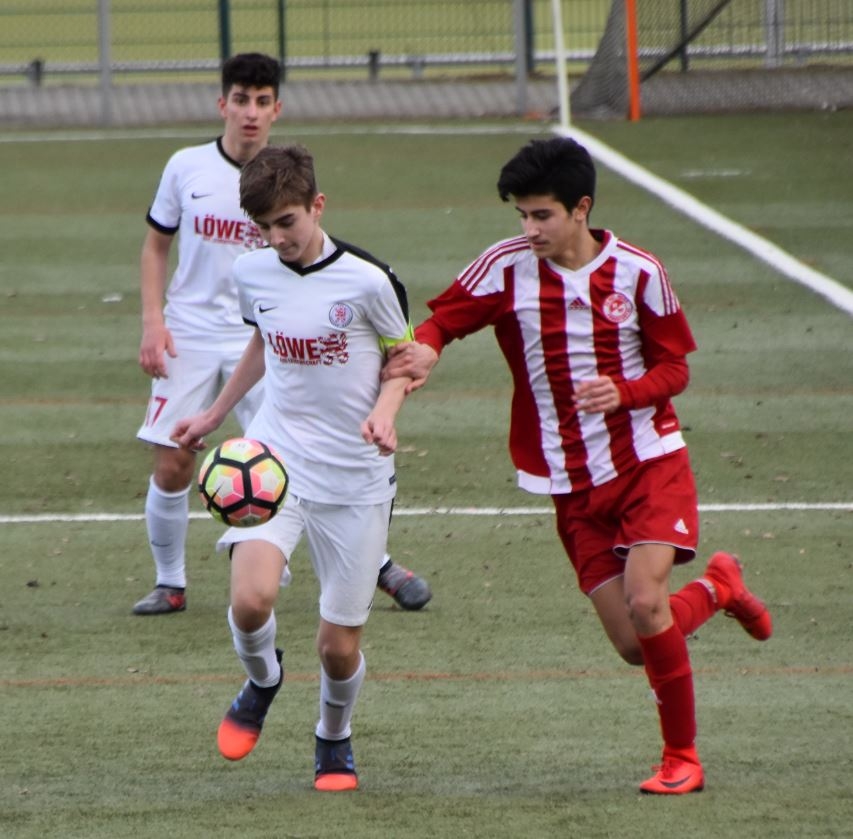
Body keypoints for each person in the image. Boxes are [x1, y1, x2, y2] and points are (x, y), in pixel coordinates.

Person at [382, 136, 773, 794]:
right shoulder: (504, 267)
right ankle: (717, 589)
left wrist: (625, 392)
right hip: (570, 483)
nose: (529, 229)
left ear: (580, 209)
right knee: (634, 643)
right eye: (521, 215)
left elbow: (674, 367)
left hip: (648, 462)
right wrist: (427, 350)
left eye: (542, 215)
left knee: (646, 601)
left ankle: (681, 758)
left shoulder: (639, 273)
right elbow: (442, 321)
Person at [133, 52, 430, 616]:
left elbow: (400, 351)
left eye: (262, 101)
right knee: (175, 457)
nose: (250, 112)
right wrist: (153, 321)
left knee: (304, 448)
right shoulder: (186, 168)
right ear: (222, 104)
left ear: (277, 109)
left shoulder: (303, 205)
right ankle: (172, 581)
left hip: (280, 339)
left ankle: (374, 561)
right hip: (197, 332)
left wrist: (396, 391)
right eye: (240, 100)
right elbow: (156, 244)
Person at [171, 143, 414, 791]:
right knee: (250, 601)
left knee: (337, 648)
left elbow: (404, 359)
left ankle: (333, 735)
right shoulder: (252, 272)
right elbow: (263, 339)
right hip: (275, 459)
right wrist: (214, 413)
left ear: (317, 205)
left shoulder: (370, 282)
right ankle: (262, 679)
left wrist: (386, 411)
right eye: (264, 227)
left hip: (356, 475)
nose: (276, 238)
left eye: (287, 222)